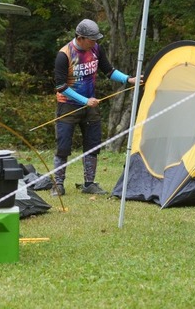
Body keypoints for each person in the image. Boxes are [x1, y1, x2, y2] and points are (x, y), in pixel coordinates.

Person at [51, 18, 138, 196]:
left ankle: (89, 183)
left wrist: (128, 79)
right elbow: (60, 86)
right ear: (80, 37)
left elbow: (109, 71)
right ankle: (58, 185)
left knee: (92, 144)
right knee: (63, 146)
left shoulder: (96, 49)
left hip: (90, 106)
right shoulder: (65, 54)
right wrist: (84, 100)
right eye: (92, 39)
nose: (95, 42)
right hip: (68, 106)